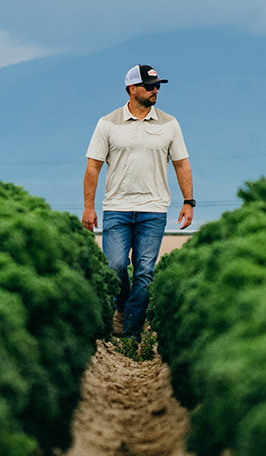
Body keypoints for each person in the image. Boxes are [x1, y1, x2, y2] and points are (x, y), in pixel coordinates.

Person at [81, 64, 194, 338]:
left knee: (145, 272)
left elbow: (181, 164)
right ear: (132, 89)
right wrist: (88, 206)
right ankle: (123, 306)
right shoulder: (108, 123)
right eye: (150, 86)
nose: (156, 90)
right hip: (117, 208)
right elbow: (93, 167)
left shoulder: (169, 123)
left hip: (153, 209)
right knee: (116, 266)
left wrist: (189, 201)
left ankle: (130, 333)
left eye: (158, 86)